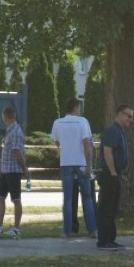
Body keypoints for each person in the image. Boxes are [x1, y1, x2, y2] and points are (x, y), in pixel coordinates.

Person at [50, 98, 97, 239]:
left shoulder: (57, 123)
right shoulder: (82, 122)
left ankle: (67, 230)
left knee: (68, 199)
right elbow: (87, 144)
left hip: (66, 163)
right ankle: (92, 229)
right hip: (81, 162)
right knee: (87, 198)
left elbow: (57, 142)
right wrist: (89, 165)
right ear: (76, 108)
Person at [0, 106, 29, 237]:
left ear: (6, 117)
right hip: (6, 170)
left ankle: (16, 228)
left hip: (13, 171)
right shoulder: (10, 130)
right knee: (0, 197)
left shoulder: (15, 131)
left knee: (16, 199)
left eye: (3, 116)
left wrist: (24, 168)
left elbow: (18, 153)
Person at [96, 104, 133, 250]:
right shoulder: (112, 130)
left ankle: (111, 239)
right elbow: (107, 152)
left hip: (116, 173)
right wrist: (112, 172)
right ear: (119, 114)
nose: (130, 119)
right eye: (128, 115)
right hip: (109, 173)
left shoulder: (121, 132)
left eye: (132, 117)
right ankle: (103, 240)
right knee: (106, 207)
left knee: (113, 208)